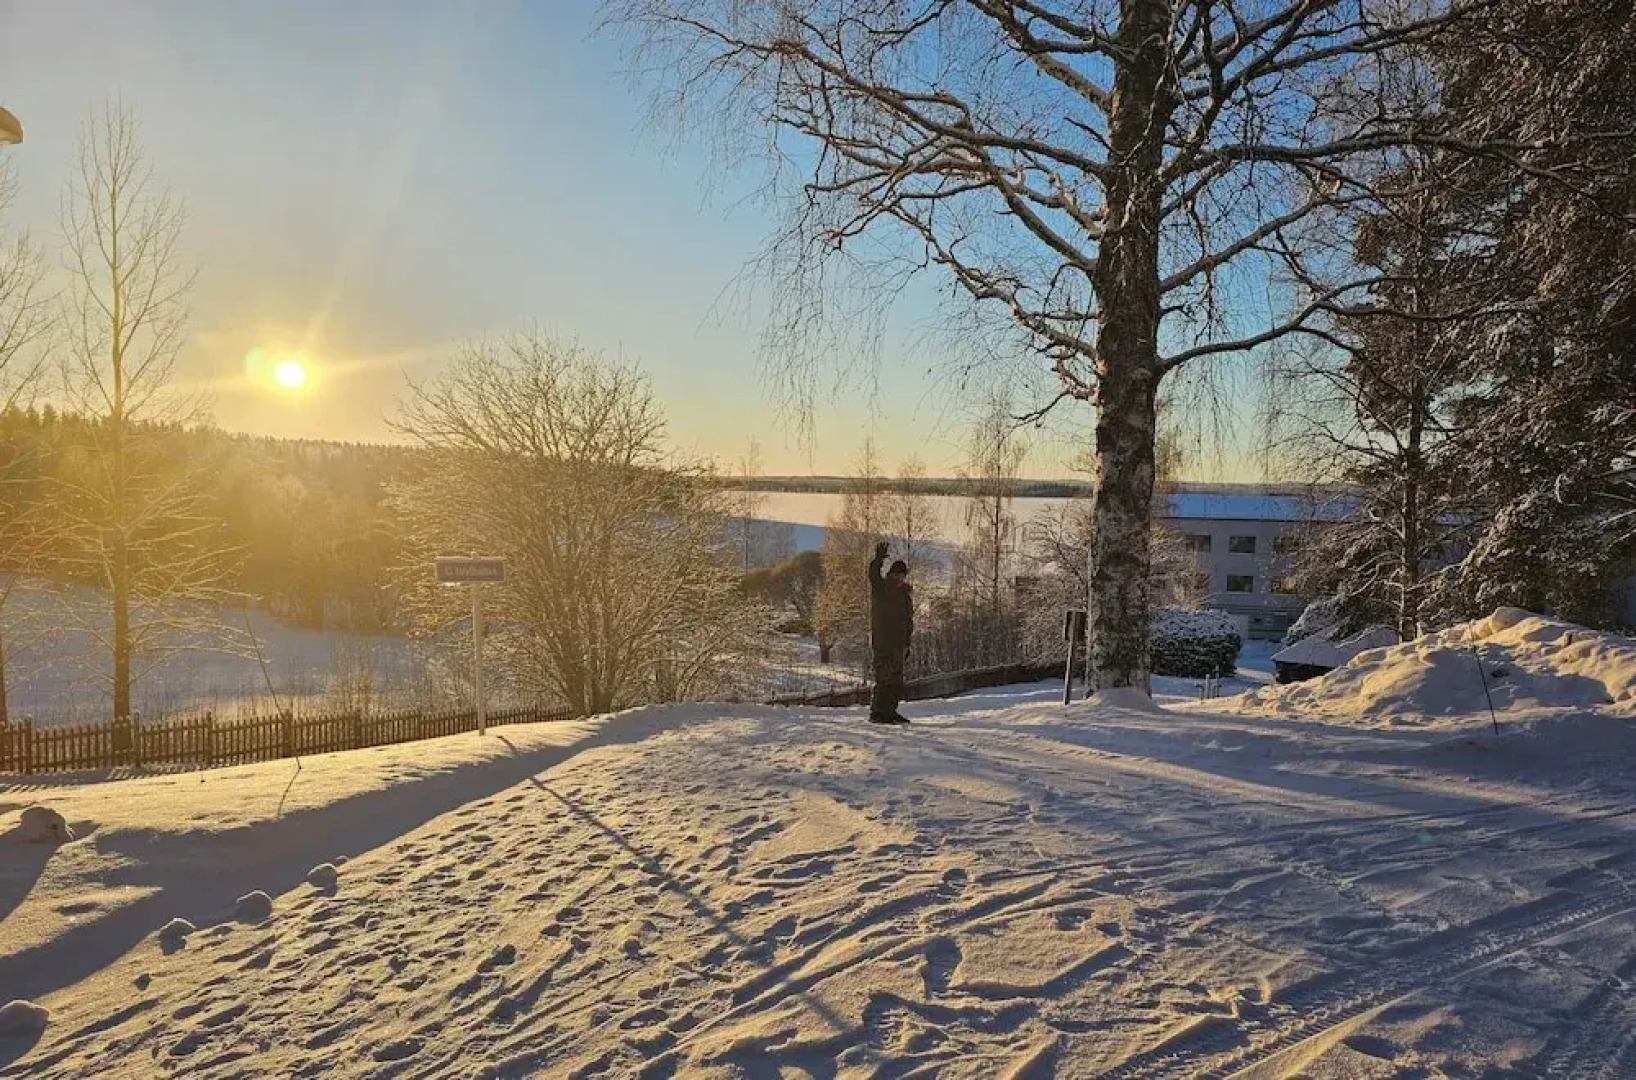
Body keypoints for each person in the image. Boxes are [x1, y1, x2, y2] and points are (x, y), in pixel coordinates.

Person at [867, 540, 913, 725]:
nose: (900, 578)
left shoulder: (904, 595)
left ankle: (890, 711)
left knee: (896, 681)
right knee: (884, 678)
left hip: (898, 644)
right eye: (897, 575)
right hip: (884, 642)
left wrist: (907, 643)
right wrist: (878, 560)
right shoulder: (883, 589)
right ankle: (878, 713)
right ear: (892, 574)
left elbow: (908, 621)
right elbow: (873, 576)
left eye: (902, 576)